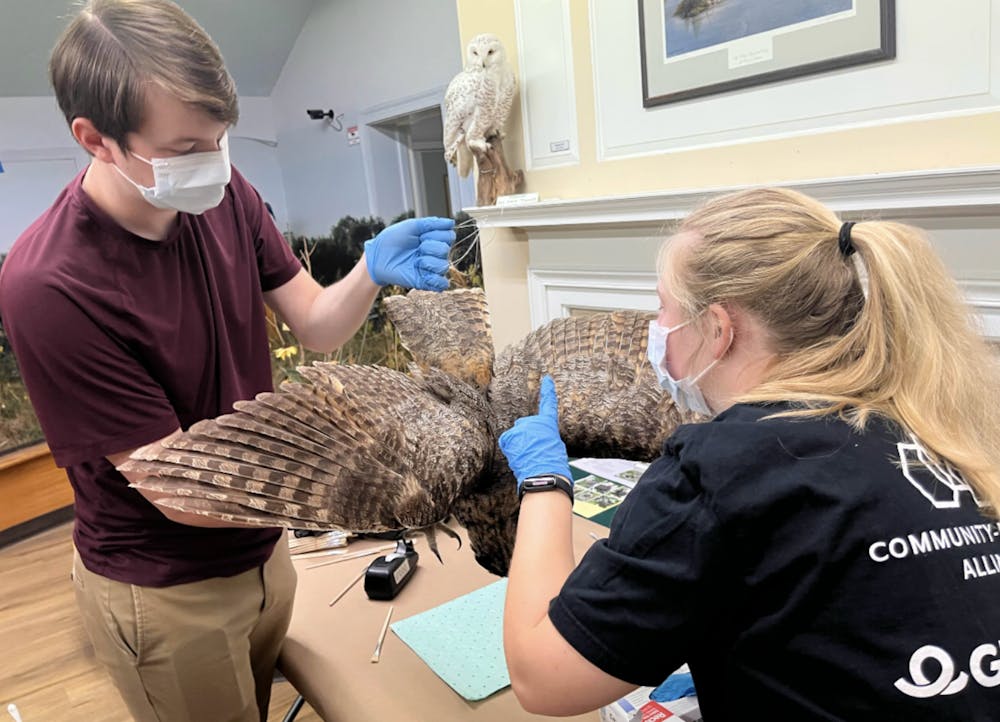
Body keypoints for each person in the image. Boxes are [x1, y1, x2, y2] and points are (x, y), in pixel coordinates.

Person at [0, 1, 454, 721]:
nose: (212, 162)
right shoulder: (51, 285)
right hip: (167, 588)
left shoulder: (222, 191)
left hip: (264, 552)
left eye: (221, 138)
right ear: (97, 140)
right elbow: (180, 489)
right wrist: (359, 484)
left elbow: (315, 324)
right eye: (185, 147)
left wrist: (367, 270)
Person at [498, 187, 1000, 720]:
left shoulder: (723, 467)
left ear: (718, 328)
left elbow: (541, 678)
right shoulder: (936, 425)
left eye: (664, 308)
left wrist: (544, 482)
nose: (656, 330)